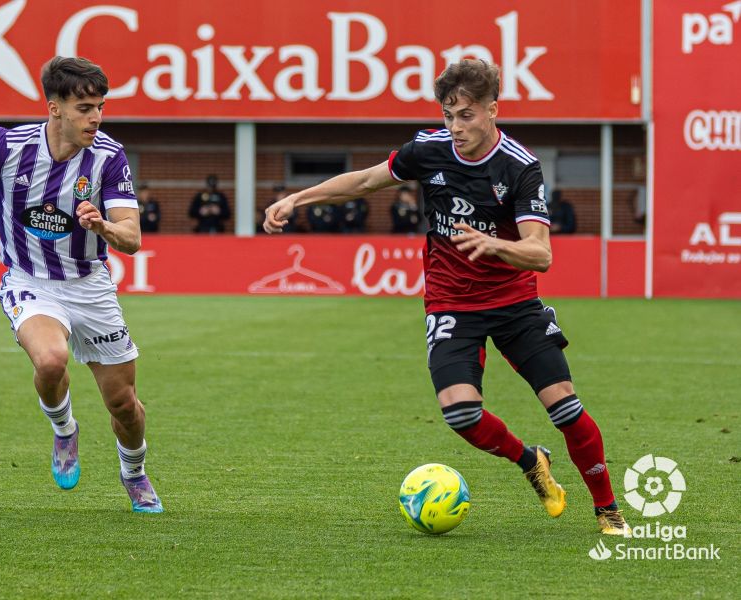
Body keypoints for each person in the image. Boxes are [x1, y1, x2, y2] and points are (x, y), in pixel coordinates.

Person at [264, 59, 628, 536]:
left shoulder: (520, 166)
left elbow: (540, 255)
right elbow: (366, 181)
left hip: (515, 302)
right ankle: (529, 459)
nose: (455, 126)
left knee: (564, 407)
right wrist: (298, 198)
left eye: (466, 115)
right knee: (460, 413)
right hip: (452, 301)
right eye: (448, 114)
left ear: (492, 110)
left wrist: (496, 245)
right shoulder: (428, 150)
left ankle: (608, 510)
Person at [0, 56, 163, 514]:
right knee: (51, 360)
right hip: (29, 280)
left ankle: (134, 472)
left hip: (90, 286)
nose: (95, 117)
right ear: (55, 109)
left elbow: (131, 238)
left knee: (124, 405)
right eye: (84, 108)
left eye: (100, 107)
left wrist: (104, 228)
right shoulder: (8, 145)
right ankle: (64, 429)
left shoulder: (109, 158)